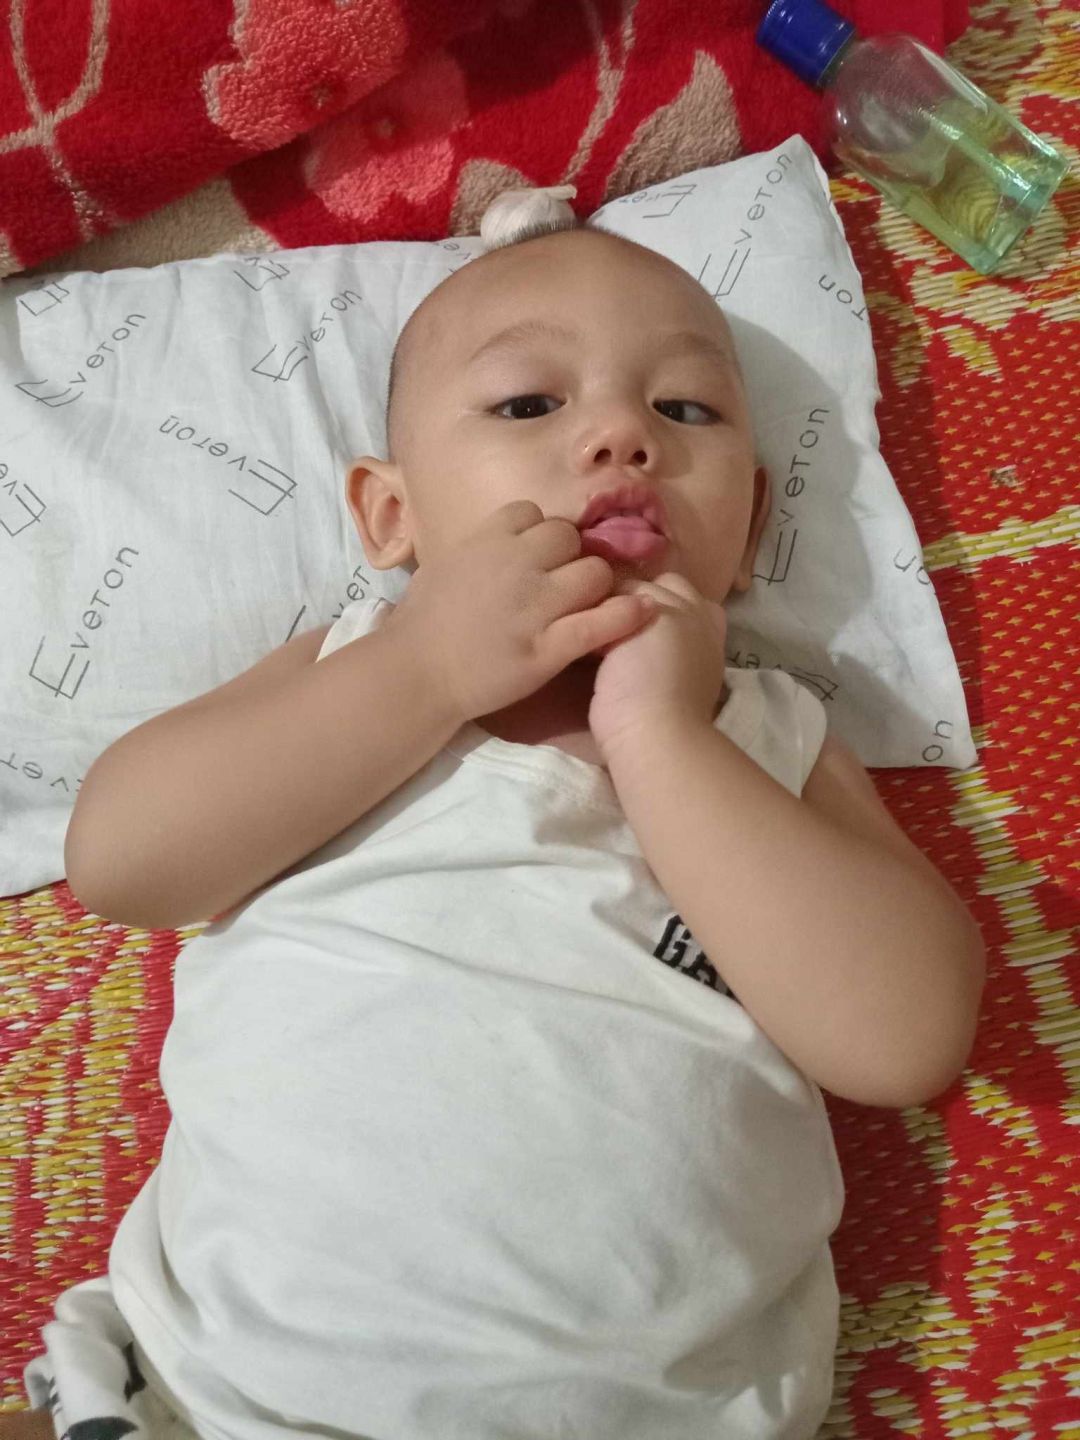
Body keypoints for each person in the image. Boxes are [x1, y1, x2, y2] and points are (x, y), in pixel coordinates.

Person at [7, 215, 985, 1440]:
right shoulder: (354, 670)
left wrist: (665, 740)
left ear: (748, 528)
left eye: (686, 410)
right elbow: (122, 864)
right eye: (528, 403)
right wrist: (425, 666)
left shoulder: (771, 737)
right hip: (214, 1391)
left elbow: (905, 1040)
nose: (621, 435)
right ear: (391, 517)